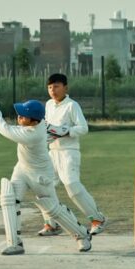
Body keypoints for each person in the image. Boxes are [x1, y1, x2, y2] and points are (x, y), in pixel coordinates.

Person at [0, 99, 92, 255]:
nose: (19, 118)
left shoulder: (33, 134)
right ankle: (15, 243)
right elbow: (10, 128)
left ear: (33, 120)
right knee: (10, 198)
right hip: (22, 169)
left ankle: (82, 235)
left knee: (52, 208)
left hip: (40, 174)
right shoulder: (37, 124)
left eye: (23, 116)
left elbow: (6, 130)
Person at [37, 73, 108, 237]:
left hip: (69, 152)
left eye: (56, 86)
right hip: (52, 152)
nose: (52, 90)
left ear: (65, 87)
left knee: (72, 187)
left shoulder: (72, 105)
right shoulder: (48, 105)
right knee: (43, 187)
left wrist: (66, 131)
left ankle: (98, 219)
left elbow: (83, 128)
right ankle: (51, 224)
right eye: (49, 87)